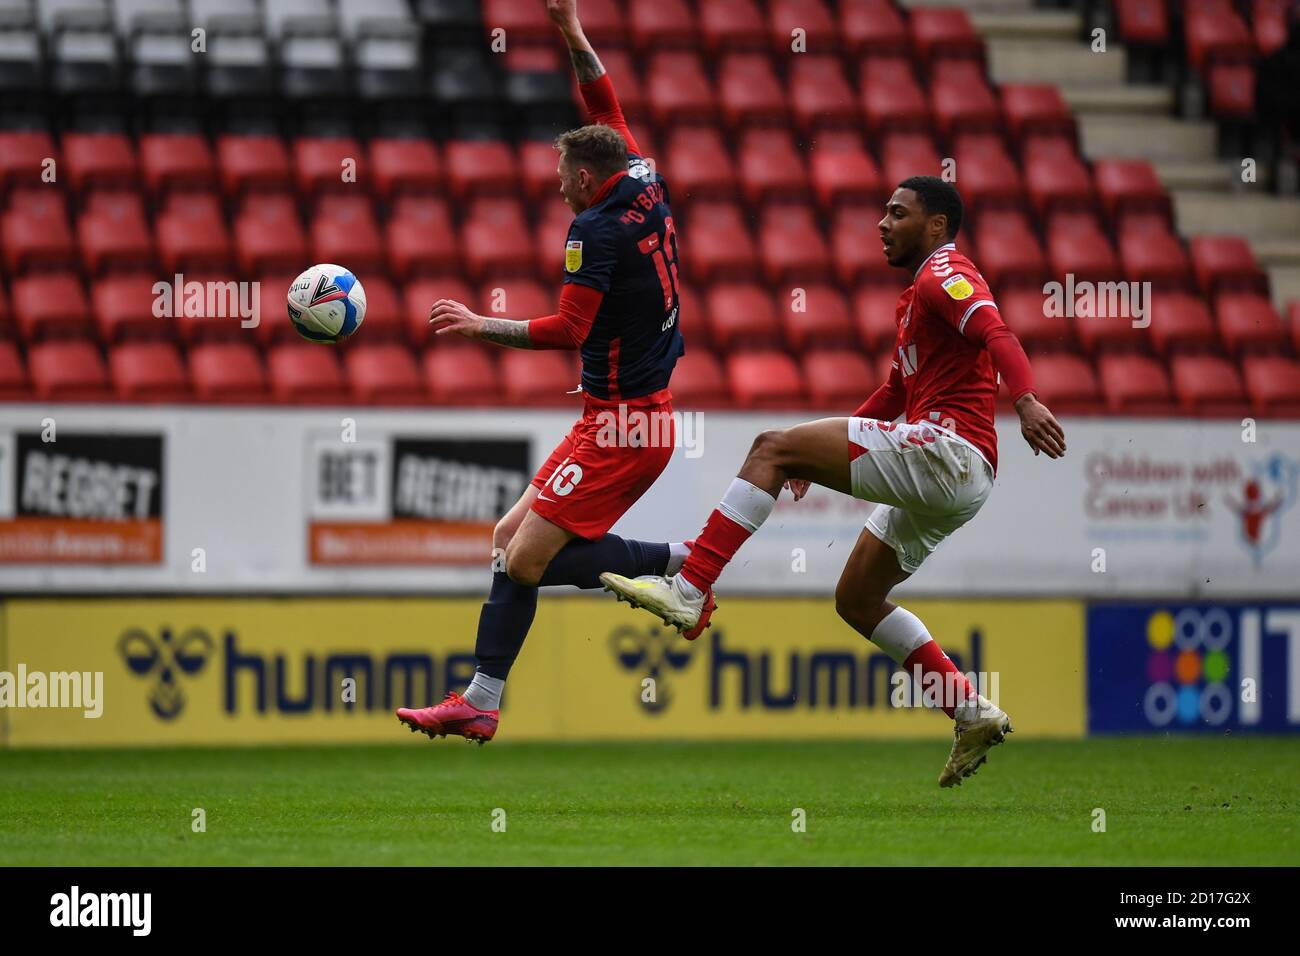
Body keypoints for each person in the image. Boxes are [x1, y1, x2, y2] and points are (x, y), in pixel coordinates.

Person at [601, 177, 1067, 787]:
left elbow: (996, 332)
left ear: (935, 226)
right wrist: (810, 459)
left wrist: (1027, 400)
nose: (881, 222)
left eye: (897, 213)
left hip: (949, 452)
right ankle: (968, 709)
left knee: (769, 447)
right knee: (855, 599)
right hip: (957, 476)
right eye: (882, 211)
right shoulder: (917, 300)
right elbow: (897, 395)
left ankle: (690, 589)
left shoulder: (945, 271)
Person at [396, 0, 688, 743]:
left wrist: (477, 325)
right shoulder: (643, 174)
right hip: (615, 416)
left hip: (627, 424)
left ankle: (680, 563)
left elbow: (568, 329)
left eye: (563, 176)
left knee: (525, 559)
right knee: (508, 540)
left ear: (588, 178)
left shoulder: (593, 229)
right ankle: (482, 699)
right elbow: (603, 99)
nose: (557, 186)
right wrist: (570, 28)